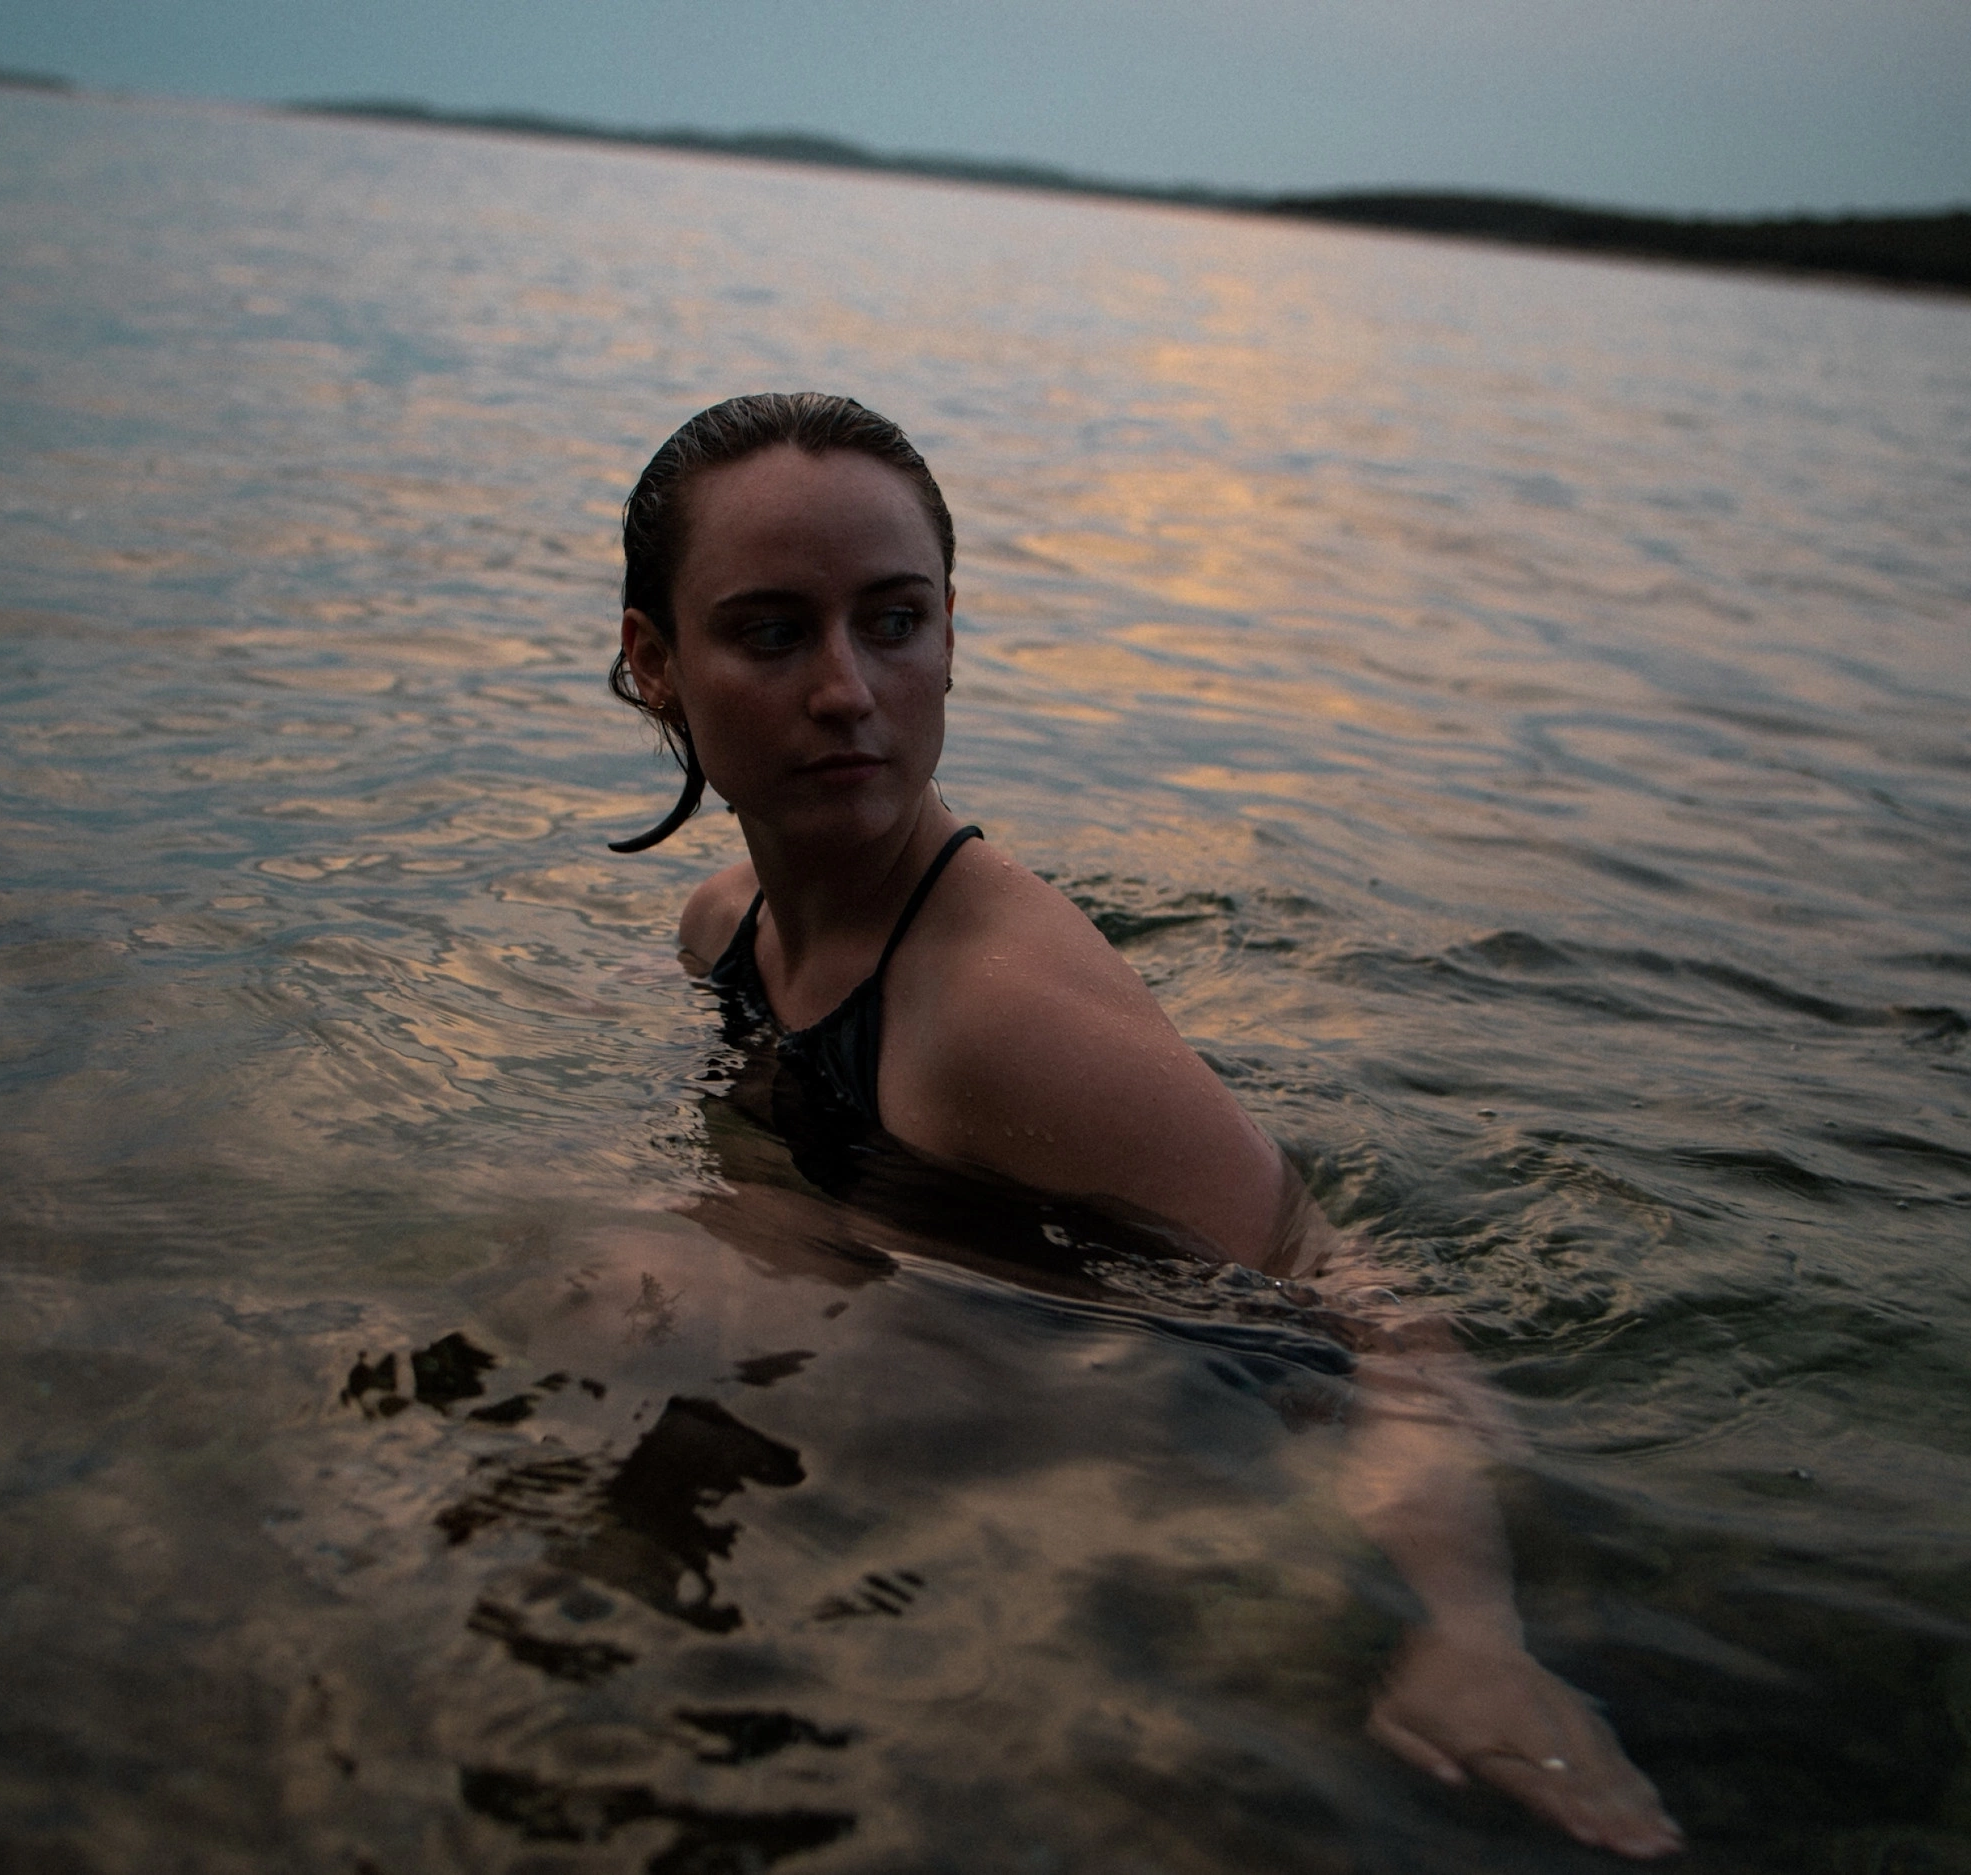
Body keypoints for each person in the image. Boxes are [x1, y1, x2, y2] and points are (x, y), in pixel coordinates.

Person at [606, 391, 1683, 1860]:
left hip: (1204, 1422)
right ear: (655, 663)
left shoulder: (995, 1011)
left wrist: (1467, 1625)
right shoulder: (722, 929)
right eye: (775, 631)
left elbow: (1347, 1297)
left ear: (950, 633)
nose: (850, 687)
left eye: (897, 621)